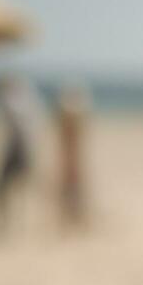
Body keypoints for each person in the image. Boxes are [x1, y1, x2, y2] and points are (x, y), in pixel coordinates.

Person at [0, 71, 45, 237]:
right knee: (19, 188)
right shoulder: (25, 100)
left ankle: (8, 224)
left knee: (3, 188)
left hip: (19, 150)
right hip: (25, 148)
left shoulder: (10, 101)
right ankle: (15, 225)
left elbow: (18, 131)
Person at [52, 78, 92, 231]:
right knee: (72, 189)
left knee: (73, 189)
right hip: (70, 159)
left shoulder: (70, 121)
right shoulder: (74, 119)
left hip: (71, 159)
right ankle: (73, 218)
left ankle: (74, 218)